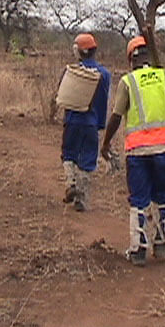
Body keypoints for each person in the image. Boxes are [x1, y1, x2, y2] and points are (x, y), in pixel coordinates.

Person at [100, 36, 165, 266]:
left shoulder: (129, 81)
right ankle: (162, 244)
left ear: (130, 59)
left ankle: (138, 250)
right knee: (163, 196)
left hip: (138, 150)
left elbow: (117, 116)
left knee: (138, 199)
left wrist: (106, 143)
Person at [61, 33, 111, 212]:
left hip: (72, 121)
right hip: (91, 122)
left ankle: (70, 182)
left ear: (78, 52)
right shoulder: (104, 74)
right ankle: (81, 198)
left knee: (69, 154)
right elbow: (103, 100)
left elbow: (64, 97)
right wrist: (101, 124)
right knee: (88, 158)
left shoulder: (72, 71)